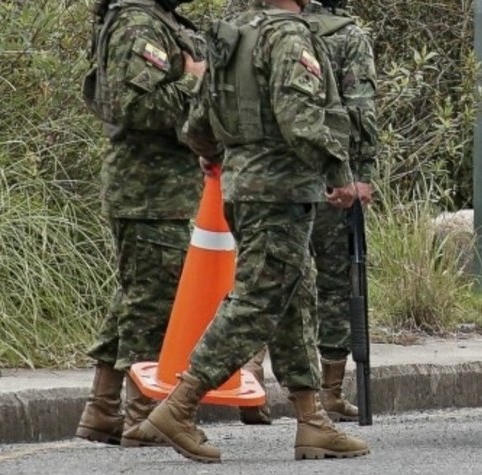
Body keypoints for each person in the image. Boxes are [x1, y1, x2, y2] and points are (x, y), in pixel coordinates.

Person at [141, 0, 370, 463]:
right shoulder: (289, 35)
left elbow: (198, 121)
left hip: (243, 186)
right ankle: (180, 405)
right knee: (257, 301)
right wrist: (339, 172)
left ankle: (312, 421)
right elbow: (300, 120)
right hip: (280, 191)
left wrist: (214, 154)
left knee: (293, 297)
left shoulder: (235, 32)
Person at [238, 0, 378, 425]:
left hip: (266, 179)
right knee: (336, 283)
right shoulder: (346, 34)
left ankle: (252, 378)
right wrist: (361, 173)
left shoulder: (250, 27)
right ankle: (329, 393)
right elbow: (359, 110)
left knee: (267, 279)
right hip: (330, 175)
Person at [77, 0, 209, 447]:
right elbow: (134, 108)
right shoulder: (138, 22)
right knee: (153, 302)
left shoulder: (157, 20)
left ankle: (103, 408)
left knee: (138, 295)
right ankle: (142, 414)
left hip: (159, 190)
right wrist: (193, 80)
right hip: (147, 190)